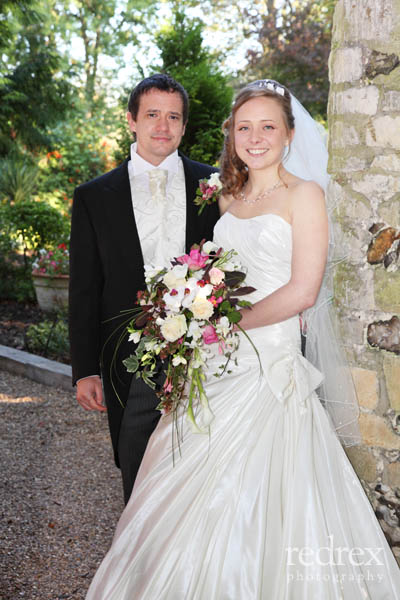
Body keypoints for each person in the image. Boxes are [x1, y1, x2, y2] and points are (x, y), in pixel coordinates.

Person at [85, 80, 400, 599]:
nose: (255, 138)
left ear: (290, 134)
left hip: (268, 368)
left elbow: (302, 290)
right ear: (232, 135)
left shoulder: (306, 195)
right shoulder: (226, 197)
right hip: (211, 363)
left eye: (268, 126)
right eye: (244, 128)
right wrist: (192, 315)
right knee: (182, 490)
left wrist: (224, 323)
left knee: (263, 496)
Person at [69, 74, 220, 504]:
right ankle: (141, 561)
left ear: (184, 126)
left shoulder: (214, 187)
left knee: (204, 467)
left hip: (204, 356)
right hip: (128, 359)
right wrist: (85, 368)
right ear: (131, 121)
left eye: (173, 117)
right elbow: (84, 289)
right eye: (152, 114)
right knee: (136, 467)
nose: (163, 126)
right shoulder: (93, 196)